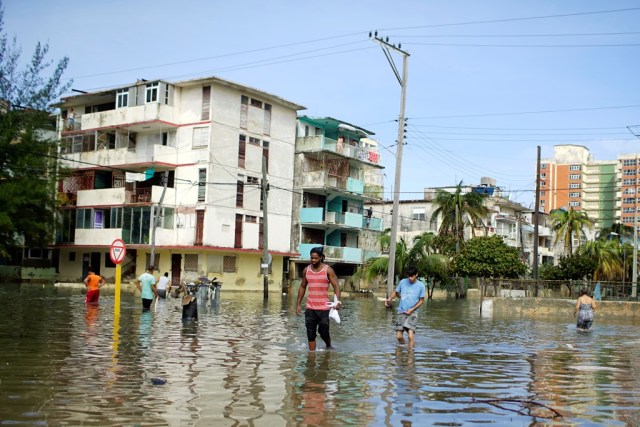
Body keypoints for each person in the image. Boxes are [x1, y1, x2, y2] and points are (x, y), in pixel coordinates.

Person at [296, 247, 341, 351]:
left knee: (323, 332)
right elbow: (302, 286)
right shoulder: (306, 270)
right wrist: (298, 304)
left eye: (316, 258)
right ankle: (312, 356)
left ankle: (328, 346)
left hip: (324, 309)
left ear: (321, 257)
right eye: (312, 258)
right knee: (310, 334)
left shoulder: (328, 270)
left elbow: (336, 286)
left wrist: (337, 301)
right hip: (310, 308)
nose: (313, 260)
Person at [385, 266, 426, 348]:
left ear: (416, 275)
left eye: (412, 276)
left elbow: (421, 300)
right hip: (401, 311)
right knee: (399, 337)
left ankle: (410, 356)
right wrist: (389, 299)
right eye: (408, 276)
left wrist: (412, 309)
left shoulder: (421, 286)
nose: (410, 278)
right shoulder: (402, 282)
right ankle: (404, 348)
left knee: (410, 336)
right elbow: (396, 292)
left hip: (413, 312)